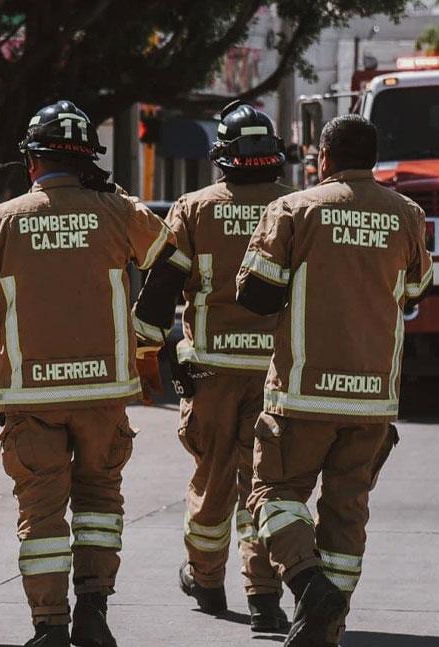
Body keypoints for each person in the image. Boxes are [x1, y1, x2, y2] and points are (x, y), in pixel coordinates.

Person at [0, 100, 175, 647]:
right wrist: (149, 334)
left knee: (42, 514)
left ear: (31, 162)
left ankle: (49, 625)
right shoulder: (118, 211)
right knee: (98, 503)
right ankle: (94, 614)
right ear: (88, 159)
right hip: (104, 393)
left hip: (33, 397)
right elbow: (171, 263)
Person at [235, 115, 432, 647]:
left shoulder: (294, 209)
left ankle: (306, 584)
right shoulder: (407, 215)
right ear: (372, 158)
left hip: (302, 392)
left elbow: (255, 293)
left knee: (273, 491)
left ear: (322, 158)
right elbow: (417, 291)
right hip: (372, 398)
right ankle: (325, 627)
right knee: (346, 512)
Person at [131, 101, 293, 633]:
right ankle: (265, 595)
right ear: (274, 156)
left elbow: (160, 290)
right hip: (279, 373)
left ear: (221, 157)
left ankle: (205, 578)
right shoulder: (297, 206)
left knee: (213, 478)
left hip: (212, 371)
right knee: (266, 484)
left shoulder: (194, 208)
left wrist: (144, 351)